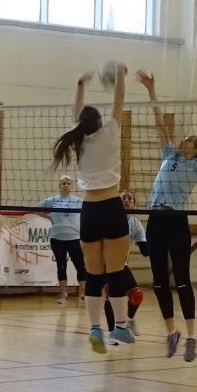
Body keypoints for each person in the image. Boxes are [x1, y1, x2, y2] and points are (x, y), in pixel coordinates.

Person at [137, 70, 197, 361]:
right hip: (155, 219)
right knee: (158, 282)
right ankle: (171, 332)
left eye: (191, 141)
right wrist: (151, 90)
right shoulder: (169, 155)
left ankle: (191, 336)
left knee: (182, 280)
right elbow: (159, 122)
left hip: (176, 220)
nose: (186, 141)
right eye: (185, 139)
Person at [52, 67, 133, 354]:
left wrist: (80, 84)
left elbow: (76, 112)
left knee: (95, 274)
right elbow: (119, 100)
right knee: (116, 270)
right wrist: (120, 76)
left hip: (88, 211)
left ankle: (95, 328)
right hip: (111, 207)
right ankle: (120, 326)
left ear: (82, 124)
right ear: (100, 121)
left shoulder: (79, 141)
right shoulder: (110, 131)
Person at [104, 190, 148, 344]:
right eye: (123, 198)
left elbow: (145, 251)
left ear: (134, 204)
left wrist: (159, 242)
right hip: (104, 262)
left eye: (130, 199)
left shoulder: (135, 223)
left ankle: (128, 320)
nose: (126, 201)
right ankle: (111, 332)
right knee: (110, 295)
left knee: (136, 295)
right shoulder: (109, 218)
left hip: (121, 263)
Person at [36, 175, 86, 304]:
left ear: (72, 186)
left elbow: (89, 211)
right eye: (63, 183)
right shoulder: (53, 200)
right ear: (59, 185)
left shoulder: (78, 201)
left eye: (68, 183)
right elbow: (37, 207)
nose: (66, 185)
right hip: (57, 237)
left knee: (80, 265)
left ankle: (83, 293)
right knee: (61, 266)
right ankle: (63, 293)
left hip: (74, 237)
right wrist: (49, 217)